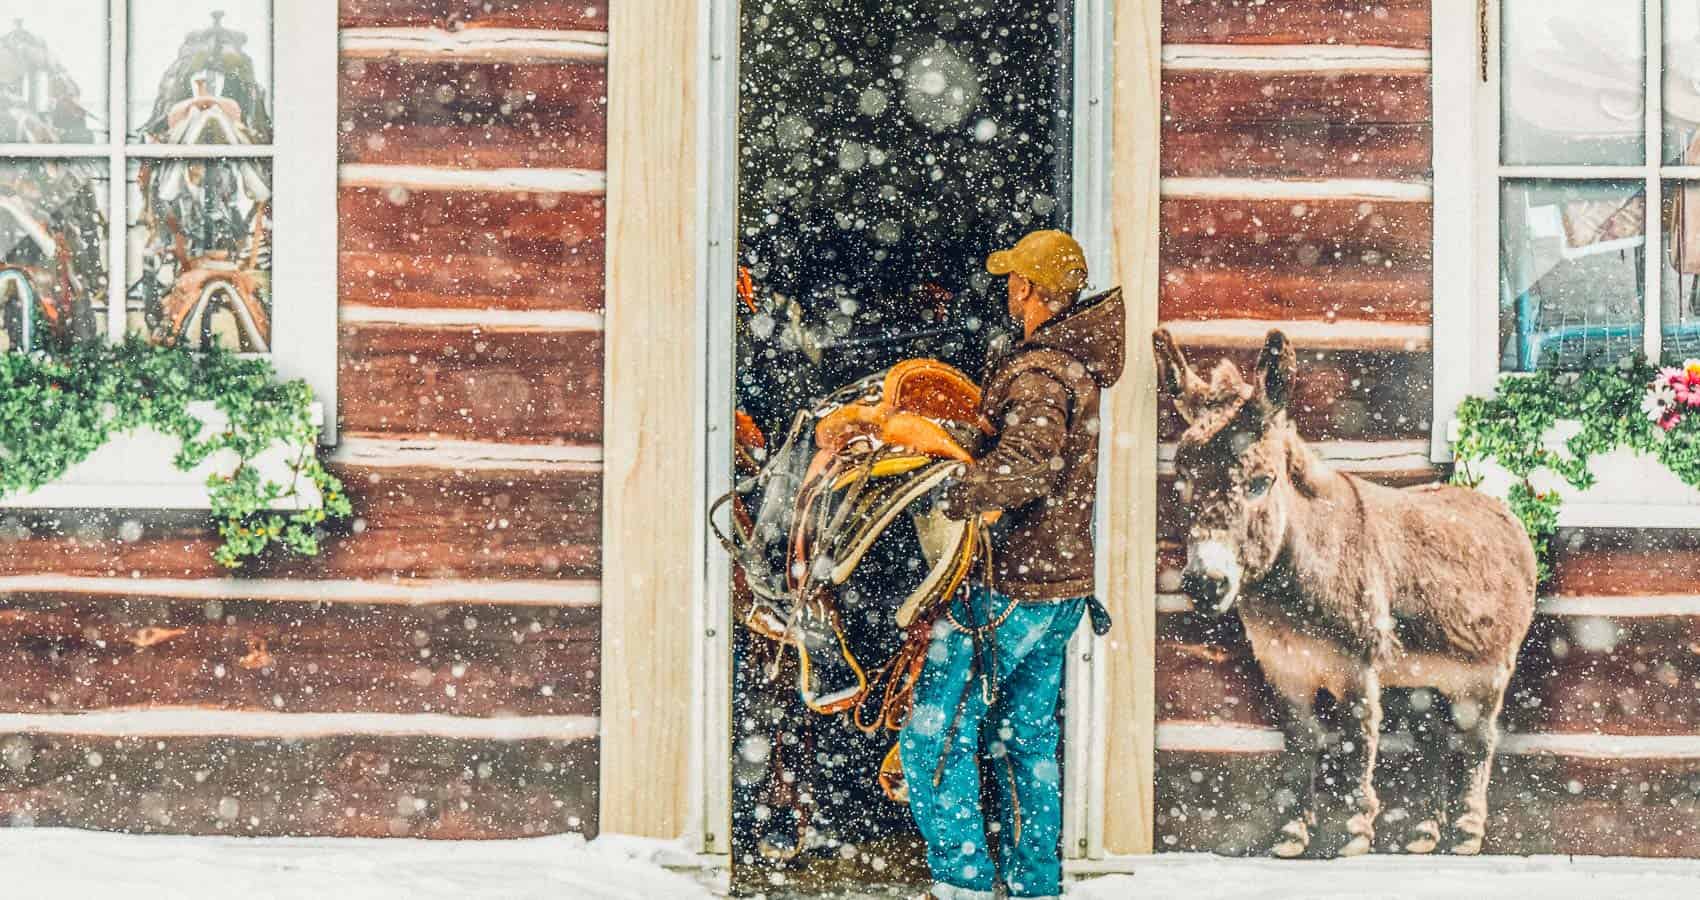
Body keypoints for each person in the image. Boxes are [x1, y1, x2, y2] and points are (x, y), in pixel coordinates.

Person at [899, 229, 1124, 900]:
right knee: (1026, 743)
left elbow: (1029, 464)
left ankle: (963, 882)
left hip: (1009, 589)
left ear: (1028, 289)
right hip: (1059, 588)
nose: (1006, 291)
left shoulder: (1039, 370)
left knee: (934, 732)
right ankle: (1035, 886)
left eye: (1012, 281)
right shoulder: (1072, 364)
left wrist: (956, 492)